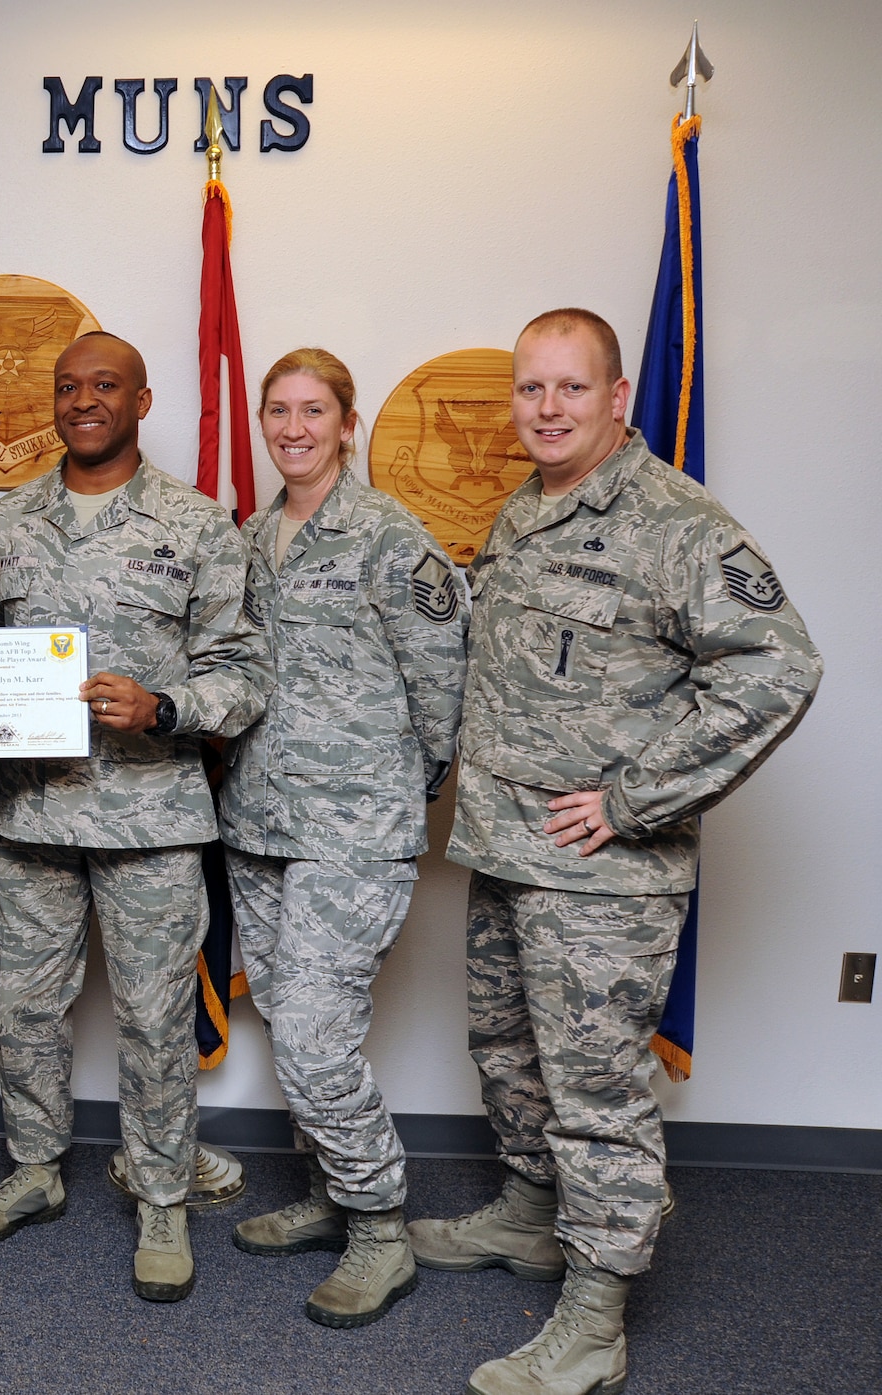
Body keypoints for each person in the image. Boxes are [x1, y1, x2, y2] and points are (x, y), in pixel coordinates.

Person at [414, 309, 821, 1395]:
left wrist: (635, 798)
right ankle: (527, 1215)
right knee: (505, 1056)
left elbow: (776, 669)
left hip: (600, 876)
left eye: (567, 390)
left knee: (594, 1093)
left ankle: (593, 1323)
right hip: (503, 847)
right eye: (528, 390)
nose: (544, 410)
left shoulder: (674, 522)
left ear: (615, 397)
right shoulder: (521, 509)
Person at [0, 331, 268, 1301]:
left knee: (155, 1018)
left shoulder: (200, 525)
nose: (83, 401)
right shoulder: (2, 525)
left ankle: (162, 1197)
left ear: (141, 399)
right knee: (32, 1010)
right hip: (30, 817)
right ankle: (36, 1170)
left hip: (151, 820)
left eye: (104, 386)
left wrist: (162, 709)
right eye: (68, 387)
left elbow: (245, 677)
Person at [218, 349, 468, 1327]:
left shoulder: (386, 539)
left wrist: (398, 790)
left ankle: (378, 1226)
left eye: (310, 410)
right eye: (275, 410)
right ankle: (329, 1192)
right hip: (258, 818)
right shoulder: (246, 539)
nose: (290, 427)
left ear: (345, 422)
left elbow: (444, 688)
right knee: (289, 1018)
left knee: (317, 1035)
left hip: (353, 824)